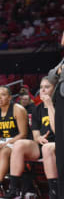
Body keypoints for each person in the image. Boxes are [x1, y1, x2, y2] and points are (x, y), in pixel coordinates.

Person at [2, 77, 56, 198]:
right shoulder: (37, 109)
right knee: (19, 144)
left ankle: (54, 191)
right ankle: (14, 189)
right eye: (41, 87)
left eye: (47, 87)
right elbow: (35, 134)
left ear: (55, 89)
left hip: (58, 143)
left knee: (47, 148)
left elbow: (57, 129)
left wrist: (50, 105)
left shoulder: (60, 105)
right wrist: (39, 138)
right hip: (42, 144)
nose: (43, 90)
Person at [48, 36, 64, 197]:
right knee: (61, 148)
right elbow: (51, 76)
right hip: (60, 99)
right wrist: (59, 71)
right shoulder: (63, 60)